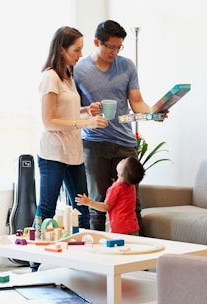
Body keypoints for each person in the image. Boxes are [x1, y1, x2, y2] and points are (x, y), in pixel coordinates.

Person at [74, 20, 163, 232]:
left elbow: (137, 102)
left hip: (125, 144)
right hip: (94, 144)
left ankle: (138, 257)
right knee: (97, 204)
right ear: (97, 42)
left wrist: (154, 114)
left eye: (118, 47)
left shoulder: (127, 66)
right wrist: (88, 110)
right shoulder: (79, 69)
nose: (114, 52)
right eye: (110, 46)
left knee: (132, 204)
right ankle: (97, 258)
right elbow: (72, 108)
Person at [36, 26, 108, 235]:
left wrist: (86, 111)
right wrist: (85, 123)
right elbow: (49, 121)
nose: (81, 54)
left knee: (82, 209)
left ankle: (84, 259)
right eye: (76, 50)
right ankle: (34, 263)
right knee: (47, 210)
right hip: (53, 154)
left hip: (73, 154)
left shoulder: (68, 76)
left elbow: (65, 111)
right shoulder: (50, 77)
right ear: (61, 50)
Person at [75, 156, 145, 235]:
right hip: (133, 226)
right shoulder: (131, 186)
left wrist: (88, 202)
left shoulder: (115, 189)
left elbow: (105, 207)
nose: (122, 159)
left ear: (121, 174)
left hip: (120, 230)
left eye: (123, 161)